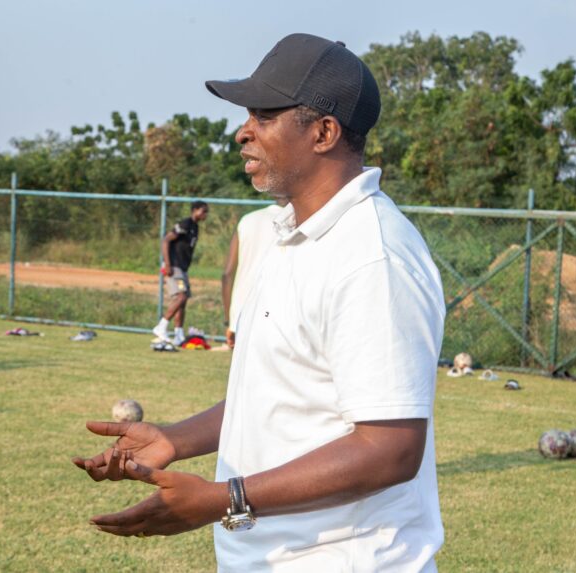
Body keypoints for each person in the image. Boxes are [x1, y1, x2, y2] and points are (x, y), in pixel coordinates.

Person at [74, 33, 446, 572]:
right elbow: (277, 393)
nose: (242, 132)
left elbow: (390, 450)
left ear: (323, 132)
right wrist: (173, 440)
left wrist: (225, 498)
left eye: (265, 115)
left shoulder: (372, 256)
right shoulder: (291, 234)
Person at [220, 200, 286, 348]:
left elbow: (227, 275)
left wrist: (229, 320)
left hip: (241, 311)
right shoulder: (295, 220)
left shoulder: (247, 219)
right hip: (274, 313)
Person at [152, 200, 209, 346]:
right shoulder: (185, 224)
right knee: (181, 296)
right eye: (204, 211)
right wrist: (168, 264)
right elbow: (166, 240)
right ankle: (161, 326)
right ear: (195, 210)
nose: (205, 214)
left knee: (183, 301)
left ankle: (178, 334)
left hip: (183, 268)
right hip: (175, 266)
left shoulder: (195, 227)